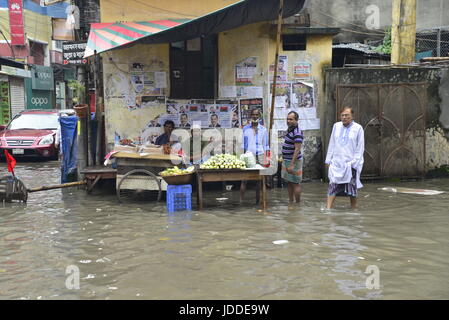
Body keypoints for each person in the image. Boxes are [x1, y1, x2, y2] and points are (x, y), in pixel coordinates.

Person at [325, 106, 364, 209]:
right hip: (337, 163)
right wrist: (328, 160)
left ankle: (353, 209)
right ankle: (328, 209)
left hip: (351, 163)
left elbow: (360, 147)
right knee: (332, 186)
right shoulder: (336, 126)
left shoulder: (358, 128)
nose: (344, 117)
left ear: (352, 116)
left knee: (352, 189)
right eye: (342, 115)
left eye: (347, 115)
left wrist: (355, 163)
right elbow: (332, 143)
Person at [240, 108, 269, 202]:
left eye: (257, 115)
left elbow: (266, 146)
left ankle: (261, 201)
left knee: (261, 180)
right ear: (250, 116)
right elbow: (243, 145)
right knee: (244, 180)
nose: (255, 116)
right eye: (253, 114)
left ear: (259, 116)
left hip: (260, 155)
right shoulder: (245, 129)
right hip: (249, 156)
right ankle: (241, 200)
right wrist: (242, 157)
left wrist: (267, 158)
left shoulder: (263, 130)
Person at [281, 111, 303, 203]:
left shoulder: (297, 132)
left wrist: (292, 164)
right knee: (289, 182)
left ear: (296, 120)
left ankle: (297, 204)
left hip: (294, 162)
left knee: (295, 183)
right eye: (287, 119)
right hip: (287, 160)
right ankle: (291, 202)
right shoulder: (290, 130)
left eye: (291, 119)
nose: (288, 121)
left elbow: (297, 149)